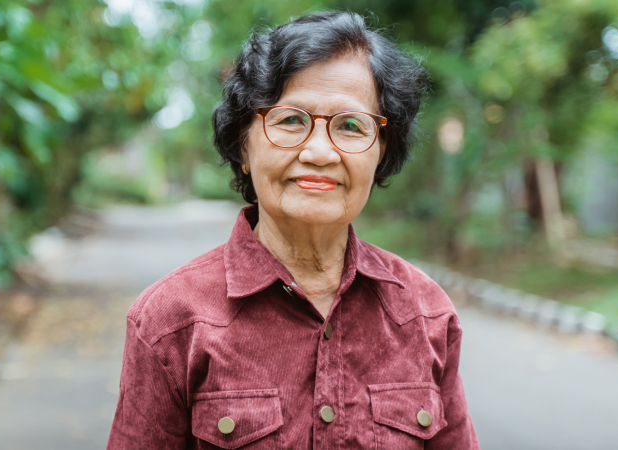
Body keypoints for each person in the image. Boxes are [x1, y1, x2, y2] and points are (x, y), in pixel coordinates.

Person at [107, 11, 477, 449]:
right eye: (290, 121)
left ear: (381, 153)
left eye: (351, 126)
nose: (320, 152)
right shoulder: (171, 321)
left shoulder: (425, 312)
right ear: (244, 145)